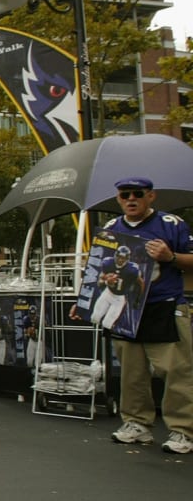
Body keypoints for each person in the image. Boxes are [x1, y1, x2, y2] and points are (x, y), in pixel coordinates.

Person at [93, 177, 193, 454]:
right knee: (131, 371)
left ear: (151, 196)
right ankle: (137, 423)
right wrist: (84, 301)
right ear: (118, 199)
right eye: (125, 195)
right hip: (128, 307)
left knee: (176, 370)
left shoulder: (171, 224)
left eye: (138, 193)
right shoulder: (112, 228)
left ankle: (183, 430)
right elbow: (96, 269)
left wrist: (170, 257)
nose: (131, 199)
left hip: (164, 304)